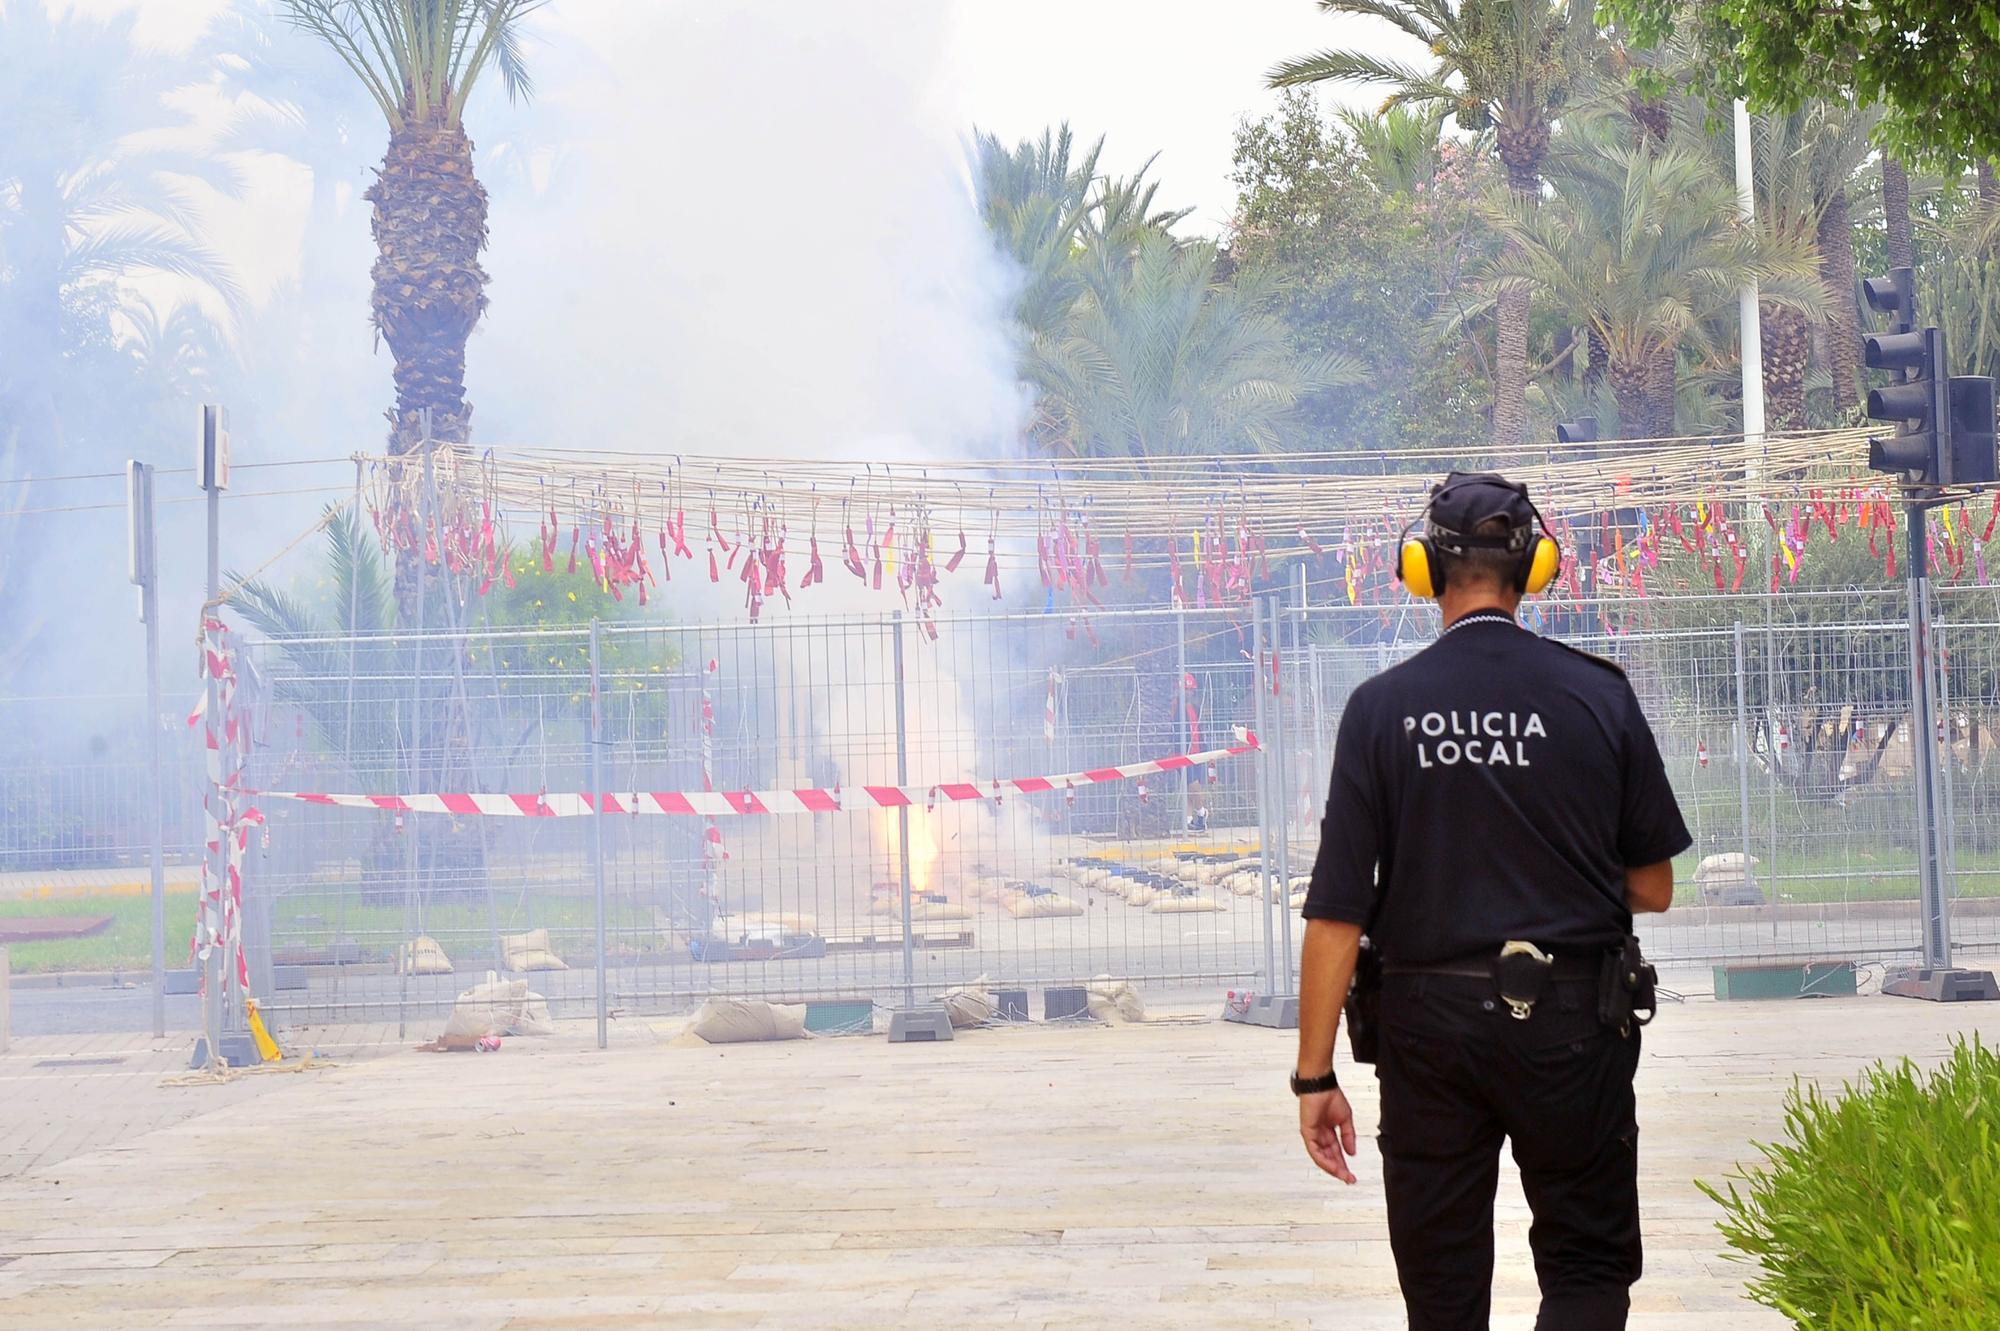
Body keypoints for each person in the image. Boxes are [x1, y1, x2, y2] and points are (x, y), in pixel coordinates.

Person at [1289, 472, 1690, 1331]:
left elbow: (1337, 912)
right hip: (1575, 1025)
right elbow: (1653, 885)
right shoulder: (1599, 694)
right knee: (1585, 1267)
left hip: (1428, 1031)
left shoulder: (1379, 709)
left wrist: (1314, 1074)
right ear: (1534, 568)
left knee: (1442, 1293)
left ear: (1422, 568)